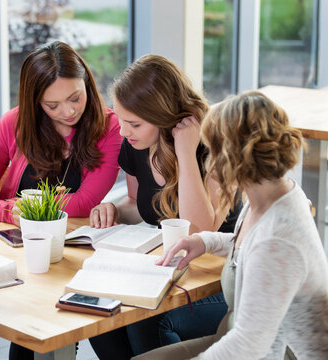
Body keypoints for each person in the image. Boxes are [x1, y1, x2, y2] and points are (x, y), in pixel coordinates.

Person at [134, 91, 328, 359]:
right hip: (245, 338)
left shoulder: (278, 240)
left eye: (212, 151)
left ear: (233, 158)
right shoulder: (272, 191)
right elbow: (252, 245)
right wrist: (206, 241)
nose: (209, 160)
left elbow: (249, 347)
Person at [88, 55, 241, 359]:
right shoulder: (136, 146)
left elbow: (199, 230)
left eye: (134, 124)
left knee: (146, 322)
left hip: (219, 283)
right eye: (121, 121)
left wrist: (185, 150)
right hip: (171, 274)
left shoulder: (217, 146)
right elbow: (136, 204)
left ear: (165, 118)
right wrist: (115, 210)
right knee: (101, 316)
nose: (123, 132)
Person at [0, 40, 122, 227]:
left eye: (75, 98)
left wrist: (23, 206)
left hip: (72, 241)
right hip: (13, 237)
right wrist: (3, 211)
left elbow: (85, 202)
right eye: (52, 106)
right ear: (36, 102)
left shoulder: (110, 127)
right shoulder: (14, 122)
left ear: (86, 82)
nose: (68, 111)